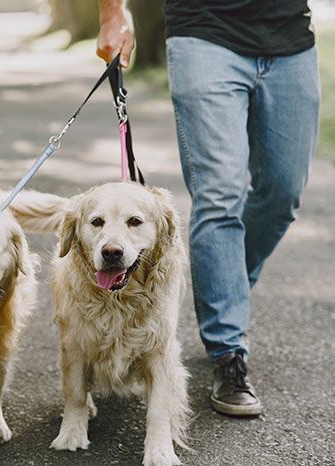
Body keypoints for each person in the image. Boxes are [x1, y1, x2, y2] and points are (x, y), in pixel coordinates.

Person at [97, 0, 320, 416]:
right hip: (204, 31)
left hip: (291, 37)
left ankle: (225, 283)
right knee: (219, 194)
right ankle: (227, 352)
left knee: (283, 192)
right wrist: (112, 12)